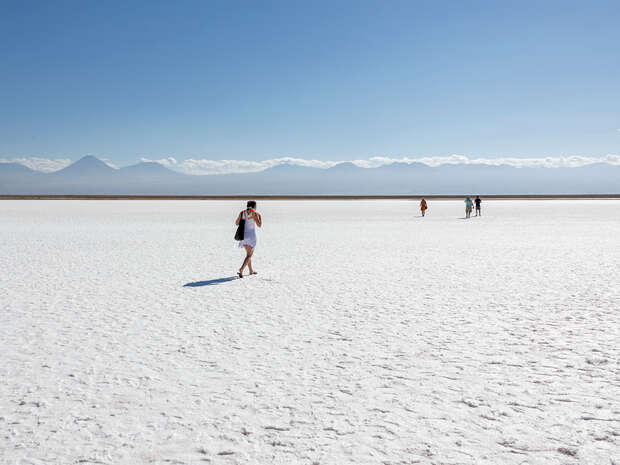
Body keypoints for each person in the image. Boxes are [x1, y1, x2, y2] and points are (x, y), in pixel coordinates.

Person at [235, 200, 262, 278]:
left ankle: (251, 271)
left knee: (248, 255)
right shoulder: (255, 214)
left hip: (243, 236)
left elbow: (236, 223)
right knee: (249, 255)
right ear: (254, 206)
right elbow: (259, 225)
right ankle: (241, 269)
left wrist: (244, 220)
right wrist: (257, 217)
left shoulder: (242, 213)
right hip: (251, 236)